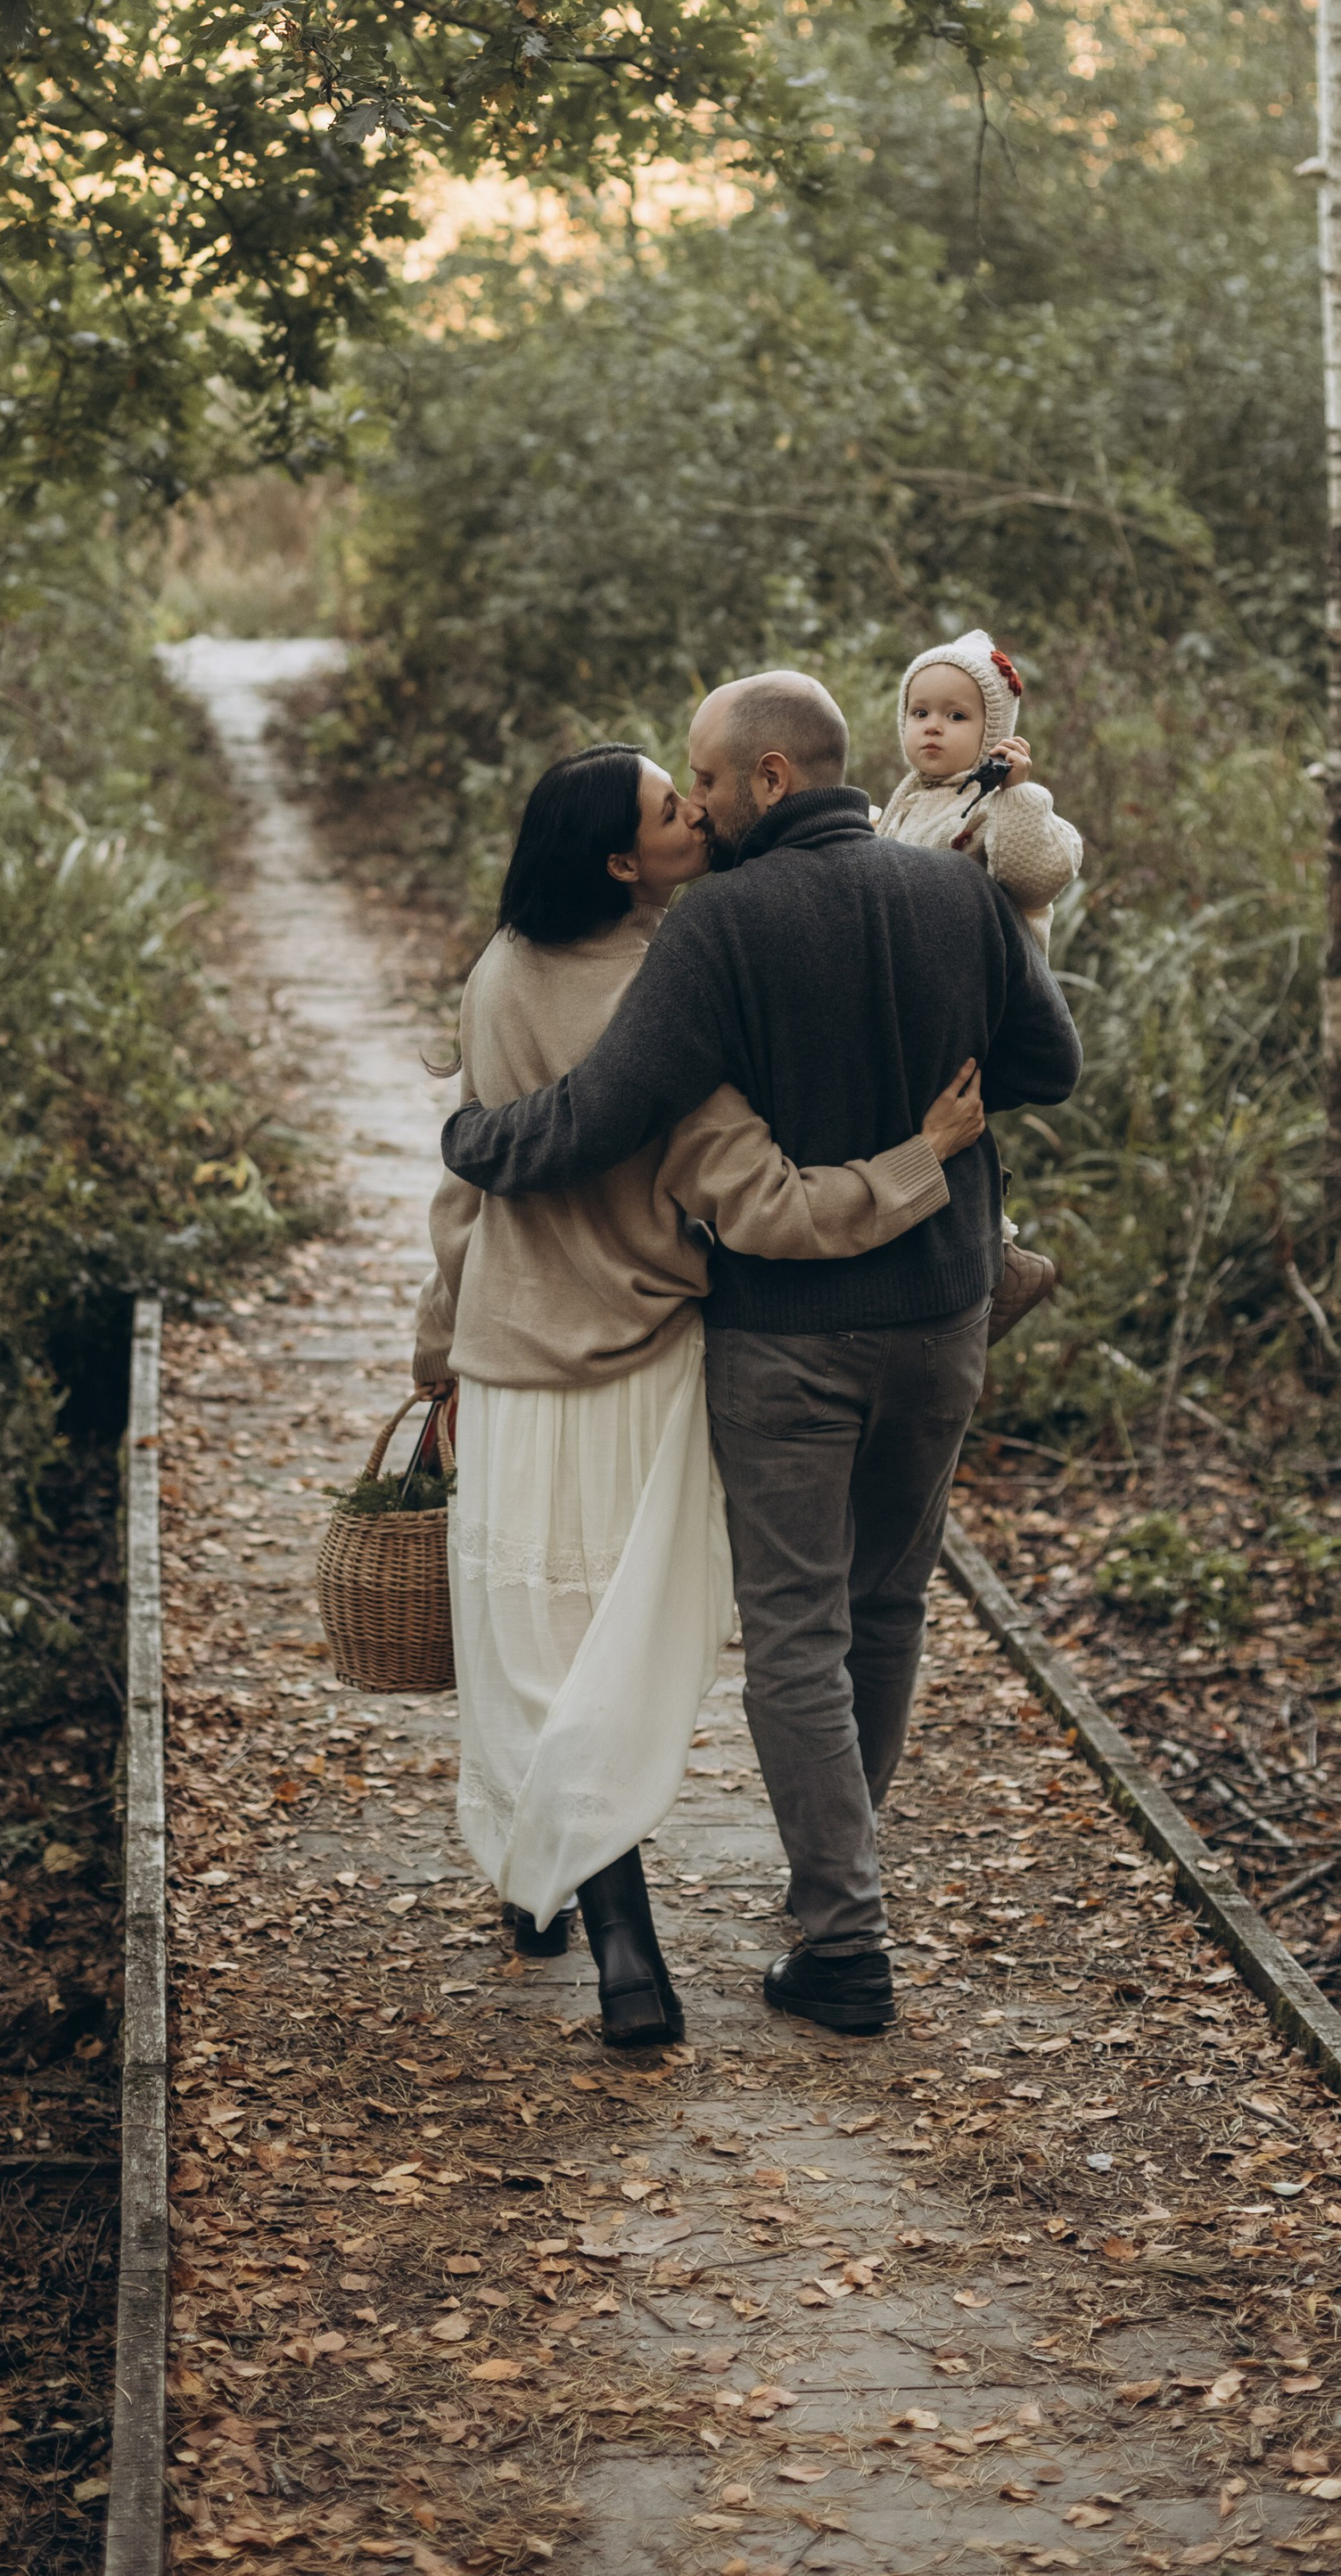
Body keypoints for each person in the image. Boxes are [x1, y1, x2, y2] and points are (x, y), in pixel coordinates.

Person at [440, 673, 1082, 2039]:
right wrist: (931, 1078)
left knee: (794, 1625)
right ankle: (834, 1889)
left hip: (788, 1333)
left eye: (707, 784)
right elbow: (1051, 1063)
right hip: (946, 1306)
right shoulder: (958, 894)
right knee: (889, 1604)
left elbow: (607, 1106)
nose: (704, 808)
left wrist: (474, 1144)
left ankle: (846, 1934)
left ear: (769, 782)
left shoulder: (718, 924)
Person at [876, 628, 1085, 1341]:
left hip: (982, 996)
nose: (934, 726)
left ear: (993, 732)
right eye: (921, 712)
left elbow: (1038, 873)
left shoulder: (1004, 804)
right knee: (929, 1124)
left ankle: (996, 1259)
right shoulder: (906, 803)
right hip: (919, 995)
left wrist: (1021, 797)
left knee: (953, 1121)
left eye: (957, 716)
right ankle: (967, 1258)